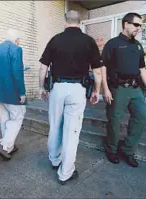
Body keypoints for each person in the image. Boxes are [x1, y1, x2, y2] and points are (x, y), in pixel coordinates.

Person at [39, 10, 102, 185]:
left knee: (55, 125)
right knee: (71, 131)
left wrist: (41, 87)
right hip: (77, 89)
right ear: (80, 21)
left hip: (57, 88)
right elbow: (97, 71)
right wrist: (97, 90)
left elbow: (43, 67)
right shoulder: (89, 41)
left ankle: (54, 159)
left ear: (65, 20)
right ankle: (65, 172)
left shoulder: (55, 39)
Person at [101, 12, 146, 168]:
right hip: (117, 88)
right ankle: (111, 149)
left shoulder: (138, 46)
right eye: (136, 24)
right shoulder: (112, 44)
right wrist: (105, 89)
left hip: (135, 89)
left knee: (141, 117)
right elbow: (103, 67)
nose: (139, 28)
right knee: (114, 119)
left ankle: (127, 149)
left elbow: (142, 68)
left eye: (140, 25)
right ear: (126, 24)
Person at [0, 29, 26, 161]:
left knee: (4, 118)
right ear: (16, 40)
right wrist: (22, 92)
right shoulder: (16, 49)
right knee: (18, 116)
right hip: (10, 92)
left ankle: (9, 145)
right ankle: (5, 146)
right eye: (19, 40)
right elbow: (17, 72)